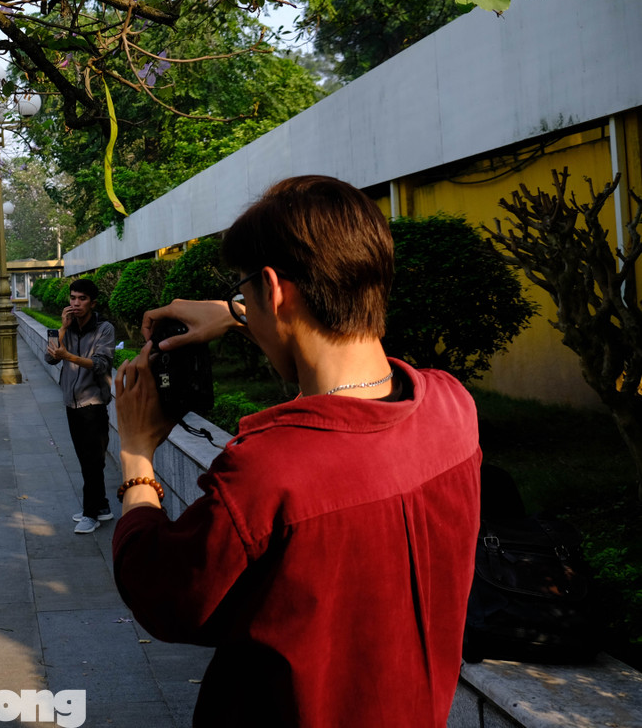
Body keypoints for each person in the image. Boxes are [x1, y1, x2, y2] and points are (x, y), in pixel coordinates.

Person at [110, 175, 480, 727]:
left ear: (274, 289)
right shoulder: (453, 408)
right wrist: (239, 312)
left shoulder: (270, 471)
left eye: (246, 294)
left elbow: (163, 594)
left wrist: (138, 455)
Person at [44, 278, 116, 534]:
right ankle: (103, 507)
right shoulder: (68, 327)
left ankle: (90, 514)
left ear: (92, 302)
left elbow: (101, 364)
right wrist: (62, 329)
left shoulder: (104, 328)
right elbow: (49, 357)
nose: (75, 303)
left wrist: (70, 357)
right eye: (73, 298)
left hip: (93, 403)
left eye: (82, 299)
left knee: (92, 461)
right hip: (71, 402)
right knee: (86, 459)